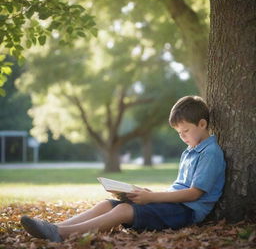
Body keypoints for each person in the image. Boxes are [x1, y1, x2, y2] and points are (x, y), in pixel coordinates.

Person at [20, 95, 226, 242]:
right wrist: (148, 194)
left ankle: (61, 234)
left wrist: (152, 198)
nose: (182, 136)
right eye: (179, 132)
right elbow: (179, 188)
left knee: (124, 210)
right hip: (173, 205)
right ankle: (57, 227)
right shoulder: (191, 150)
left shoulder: (210, 153)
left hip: (186, 213)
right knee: (106, 205)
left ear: (202, 124)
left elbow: (193, 194)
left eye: (185, 131)